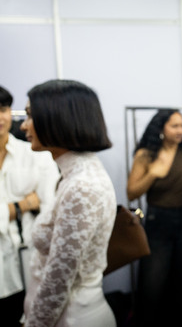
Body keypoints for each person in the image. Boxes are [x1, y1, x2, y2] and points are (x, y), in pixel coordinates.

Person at [21, 79, 116, 327]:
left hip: (73, 317)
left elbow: (58, 280)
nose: (23, 125)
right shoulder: (74, 174)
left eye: (30, 116)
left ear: (57, 118)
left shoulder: (82, 186)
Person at [127, 109, 182, 327]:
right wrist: (153, 173)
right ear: (161, 128)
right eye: (174, 126)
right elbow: (132, 192)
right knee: (153, 283)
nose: (180, 130)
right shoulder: (146, 154)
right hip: (157, 221)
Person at [0, 85, 59, 327]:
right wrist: (23, 204)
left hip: (28, 263)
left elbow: (50, 210)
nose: (0, 117)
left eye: (3, 109)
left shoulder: (36, 154)